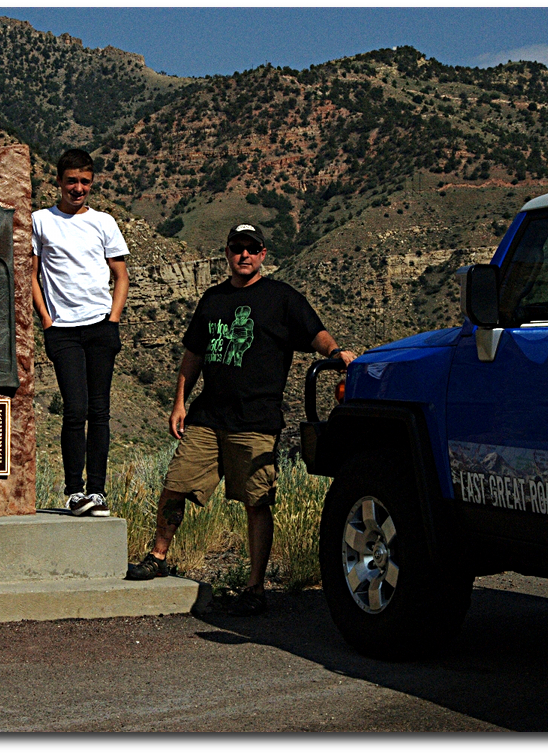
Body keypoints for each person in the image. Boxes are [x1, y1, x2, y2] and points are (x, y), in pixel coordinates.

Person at [126, 222, 356, 616]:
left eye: (252, 248)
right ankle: (158, 555)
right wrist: (179, 402)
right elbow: (193, 354)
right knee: (175, 484)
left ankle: (255, 587)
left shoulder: (282, 298)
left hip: (256, 420)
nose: (244, 255)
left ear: (263, 254)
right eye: (237, 248)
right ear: (228, 253)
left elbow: (315, 333)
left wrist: (337, 353)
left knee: (256, 501)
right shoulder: (212, 299)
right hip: (208, 416)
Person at [32, 149, 130, 516]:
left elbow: (120, 275)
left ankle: (97, 491)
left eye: (85, 182)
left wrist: (113, 319)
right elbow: (30, 274)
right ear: (58, 181)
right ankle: (74, 492)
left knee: (100, 411)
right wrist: (46, 320)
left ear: (92, 183)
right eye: (71, 181)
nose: (78, 188)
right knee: (75, 409)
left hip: (100, 326)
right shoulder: (40, 221)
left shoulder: (104, 222)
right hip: (64, 331)